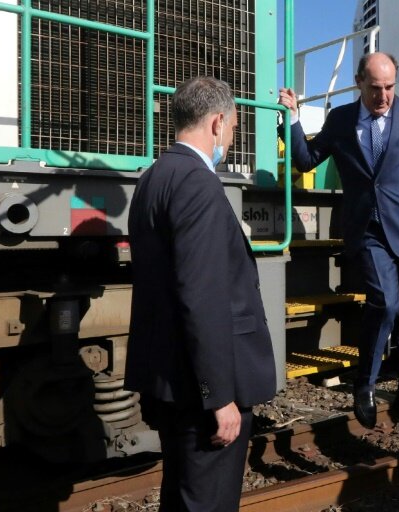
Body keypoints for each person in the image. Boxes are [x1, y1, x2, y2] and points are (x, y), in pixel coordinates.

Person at [277, 52, 399, 441]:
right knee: (385, 303)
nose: (384, 96)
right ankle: (365, 383)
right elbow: (307, 160)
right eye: (375, 88)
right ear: (359, 82)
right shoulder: (341, 119)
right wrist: (291, 119)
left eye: (390, 87)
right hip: (369, 232)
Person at [127, 76, 277, 511]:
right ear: (216, 123)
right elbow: (202, 297)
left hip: (170, 380)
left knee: (181, 497)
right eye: (232, 129)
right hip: (200, 393)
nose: (230, 138)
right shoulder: (199, 185)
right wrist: (221, 397)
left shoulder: (153, 178)